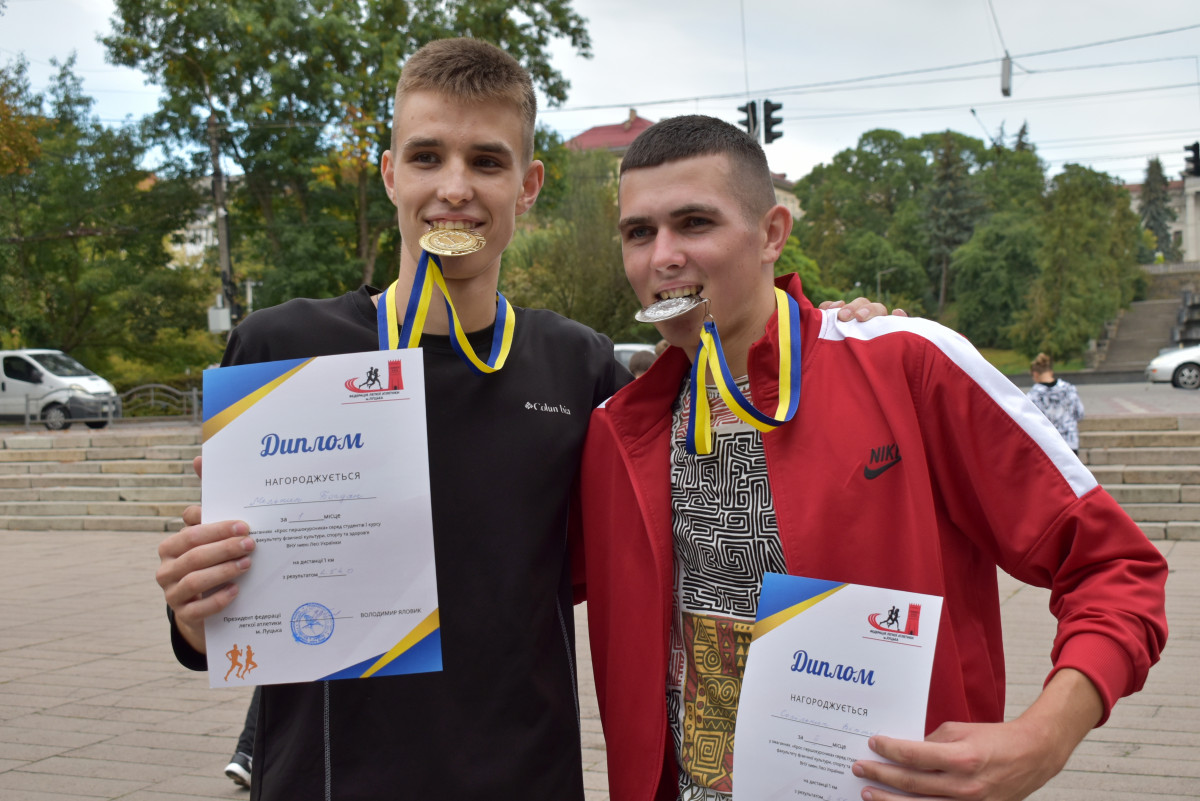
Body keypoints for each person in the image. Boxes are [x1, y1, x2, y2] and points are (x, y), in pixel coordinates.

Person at [158, 41, 895, 799]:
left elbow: (731, 469)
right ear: (390, 174)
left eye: (486, 161)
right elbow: (223, 612)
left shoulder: (579, 368)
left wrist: (832, 339)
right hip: (323, 782)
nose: (454, 188)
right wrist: (195, 610)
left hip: (525, 778)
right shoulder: (282, 348)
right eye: (426, 157)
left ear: (528, 185)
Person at [575, 115, 1168, 801]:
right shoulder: (619, 430)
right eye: (639, 232)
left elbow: (1115, 567)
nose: (663, 257)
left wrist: (1045, 737)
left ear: (771, 234)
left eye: (695, 223)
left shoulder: (906, 366)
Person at [1027, 352, 1085, 455]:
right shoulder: (1069, 389)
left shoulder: (1033, 395)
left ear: (1035, 374)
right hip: (1070, 441)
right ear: (1051, 372)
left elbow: (1030, 422)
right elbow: (1080, 414)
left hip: (1047, 444)